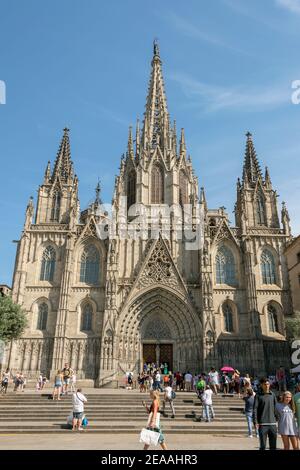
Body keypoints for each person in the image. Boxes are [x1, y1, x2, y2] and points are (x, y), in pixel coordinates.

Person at [253, 377, 279, 450]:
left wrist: (277, 420)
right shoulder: (258, 395)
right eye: (265, 384)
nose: (267, 385)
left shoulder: (272, 395)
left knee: (273, 446)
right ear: (261, 385)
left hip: (272, 424)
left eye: (268, 384)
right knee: (263, 446)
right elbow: (255, 409)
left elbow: (276, 408)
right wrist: (255, 422)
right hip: (262, 424)